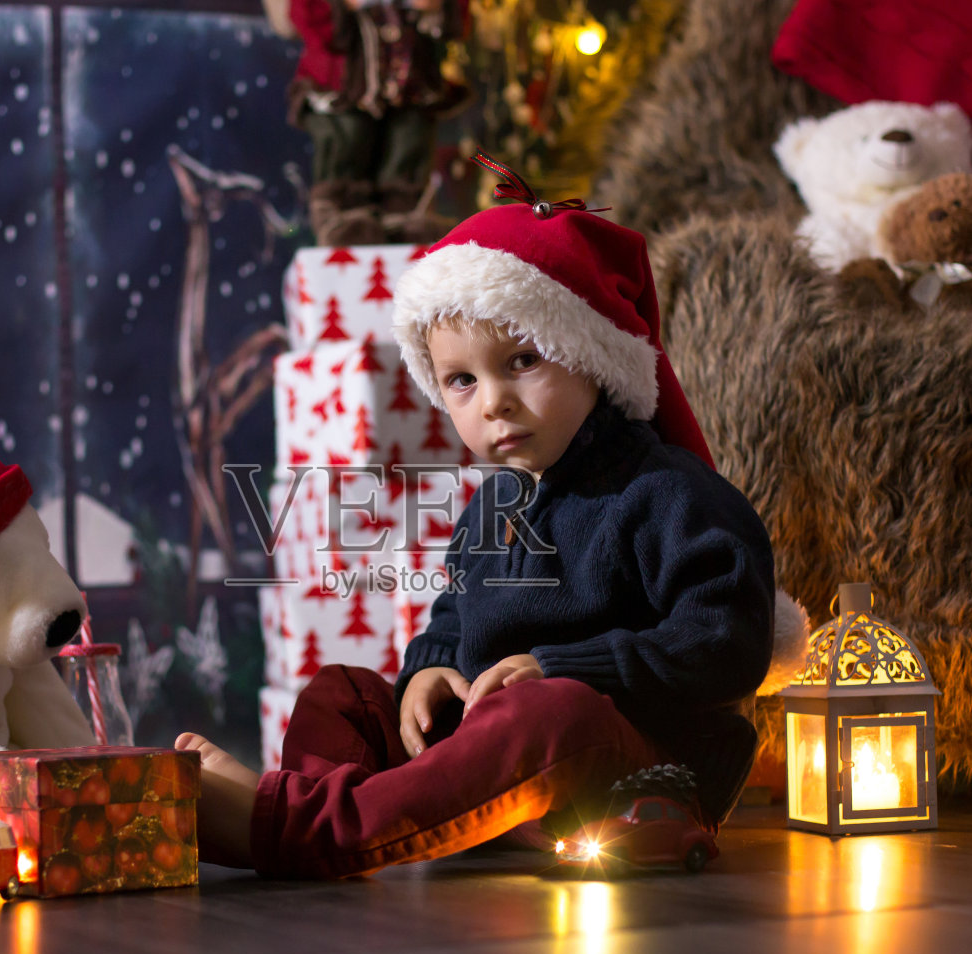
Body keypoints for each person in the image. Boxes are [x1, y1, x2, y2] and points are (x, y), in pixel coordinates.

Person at [178, 171, 778, 878]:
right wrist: (431, 668)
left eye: (522, 362)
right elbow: (458, 614)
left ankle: (311, 828)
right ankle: (323, 808)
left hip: (622, 756)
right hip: (491, 745)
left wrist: (562, 667)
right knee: (342, 691)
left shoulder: (665, 492)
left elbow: (726, 640)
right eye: (462, 380)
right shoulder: (492, 504)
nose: (494, 401)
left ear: (591, 356)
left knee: (550, 714)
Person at [282, 0, 469, 244]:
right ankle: (344, 219)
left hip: (410, 79)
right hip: (345, 79)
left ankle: (405, 214)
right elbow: (307, 16)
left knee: (409, 142)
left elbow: (453, 18)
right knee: (347, 141)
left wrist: (438, 6)